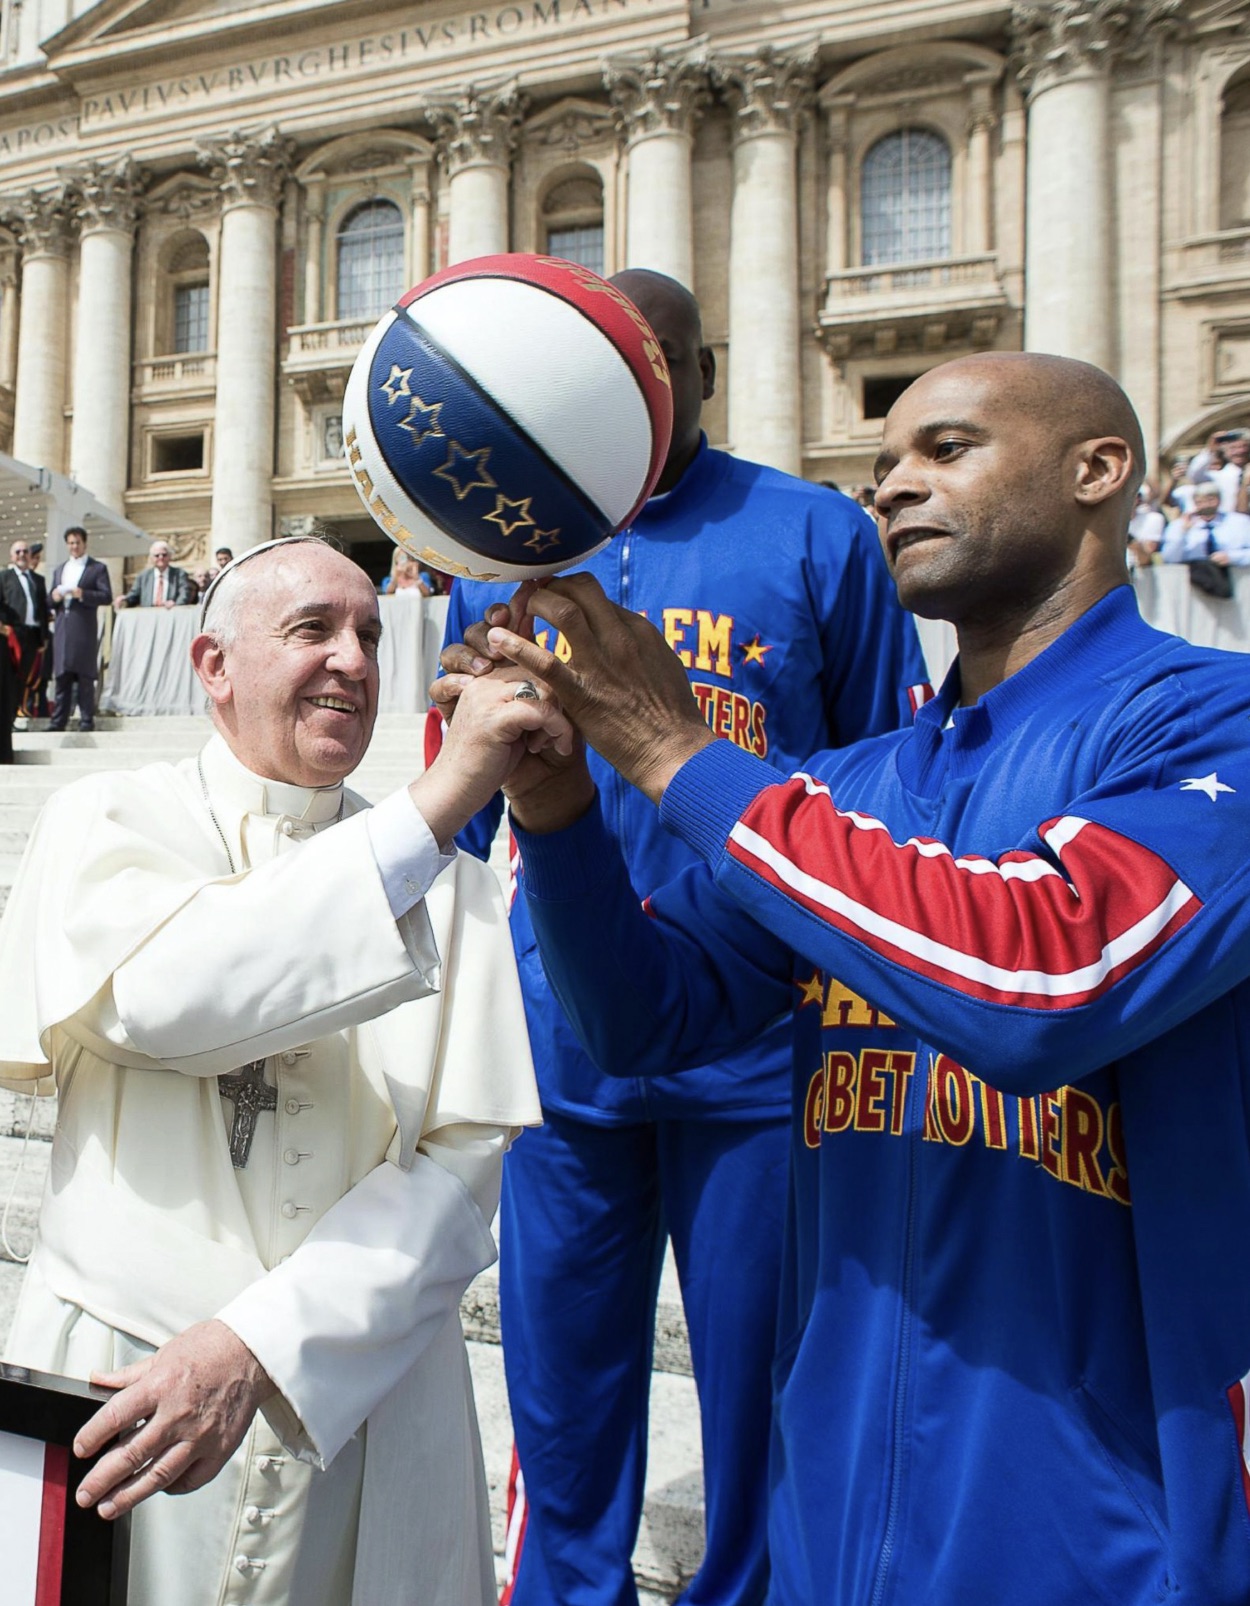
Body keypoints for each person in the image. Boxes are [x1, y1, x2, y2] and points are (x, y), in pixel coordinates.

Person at [440, 351, 1250, 1604]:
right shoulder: (860, 782)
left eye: (946, 449)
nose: (893, 488)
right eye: (880, 468)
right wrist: (557, 814)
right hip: (828, 1502)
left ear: (1098, 472)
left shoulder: (1209, 719)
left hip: (1085, 1512)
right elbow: (648, 1017)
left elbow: (1037, 977)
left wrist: (673, 750)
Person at [439, 268, 926, 1606]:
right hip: (562, 1045)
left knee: (762, 1390)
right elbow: (460, 802)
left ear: (701, 371)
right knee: (560, 1392)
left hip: (762, 1052)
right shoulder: (497, 544)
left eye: (649, 360)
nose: (623, 385)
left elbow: (878, 779)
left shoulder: (818, 532)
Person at [0, 535, 565, 1606]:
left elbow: (460, 1177)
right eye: (312, 629)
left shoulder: (451, 890)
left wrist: (264, 1342)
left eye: (366, 632)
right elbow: (169, 998)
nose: (352, 659)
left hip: (364, 1394)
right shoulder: (109, 818)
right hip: (123, 1375)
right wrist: (438, 799)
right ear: (211, 664)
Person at [48, 526, 112, 732]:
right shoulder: (60, 569)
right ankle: (58, 721)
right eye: (71, 543)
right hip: (62, 627)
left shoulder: (97, 568)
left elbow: (106, 596)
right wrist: (55, 598)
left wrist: (82, 593)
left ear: (85, 543)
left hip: (83, 627)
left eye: (77, 542)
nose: (74, 546)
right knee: (62, 676)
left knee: (85, 675)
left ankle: (86, 720)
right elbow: (49, 600)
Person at [0, 538, 49, 720]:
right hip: (13, 635)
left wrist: (44, 637)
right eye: (18, 552)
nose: (22, 555)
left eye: (25, 552)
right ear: (12, 556)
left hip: (33, 634)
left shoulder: (38, 580)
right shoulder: (4, 577)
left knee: (25, 678)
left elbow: (43, 609)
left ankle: (18, 712)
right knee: (11, 676)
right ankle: (8, 716)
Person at [1159, 478, 1250, 565]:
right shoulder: (1178, 525)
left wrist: (1232, 557)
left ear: (1219, 500)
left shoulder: (1240, 522)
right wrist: (1182, 532)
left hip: (1233, 572)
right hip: (1196, 574)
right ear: (1194, 502)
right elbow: (1169, 559)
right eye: (1200, 502)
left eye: (1211, 500)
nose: (1206, 505)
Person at [115, 540, 194, 608]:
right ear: (151, 558)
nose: (161, 557)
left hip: (171, 614)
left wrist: (176, 605)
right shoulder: (143, 576)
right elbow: (134, 596)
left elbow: (184, 594)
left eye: (164, 555)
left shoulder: (179, 574)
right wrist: (124, 599)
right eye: (157, 555)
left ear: (169, 556)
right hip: (149, 617)